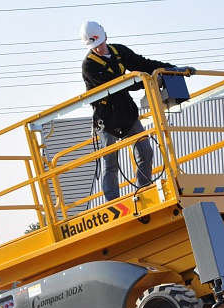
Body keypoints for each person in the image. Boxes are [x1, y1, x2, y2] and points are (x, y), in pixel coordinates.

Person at [79, 21, 195, 201]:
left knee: (145, 151)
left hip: (127, 114)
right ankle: (113, 202)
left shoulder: (119, 52)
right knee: (110, 162)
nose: (99, 49)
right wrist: (148, 82)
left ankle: (144, 192)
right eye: (94, 47)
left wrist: (171, 69)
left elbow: (142, 64)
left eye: (100, 44)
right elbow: (117, 84)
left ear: (105, 37)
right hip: (107, 120)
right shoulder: (89, 66)